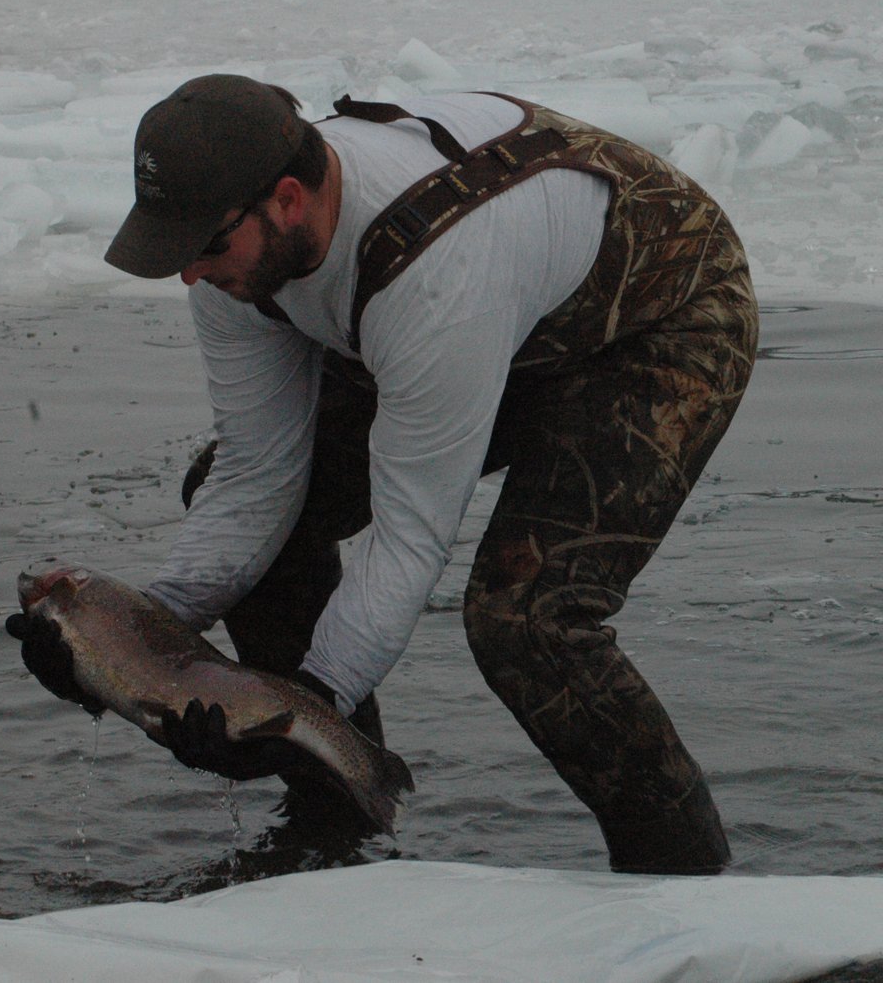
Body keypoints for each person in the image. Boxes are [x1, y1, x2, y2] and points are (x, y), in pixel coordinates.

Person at [103, 73, 758, 874]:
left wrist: (298, 709)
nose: (190, 277)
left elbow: (410, 536)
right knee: (241, 497)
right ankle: (338, 821)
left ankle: (689, 885)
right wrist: (130, 636)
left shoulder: (435, 273)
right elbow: (255, 477)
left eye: (203, 246)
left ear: (287, 200)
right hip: (493, 318)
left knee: (526, 620)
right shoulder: (237, 263)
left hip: (656, 323)